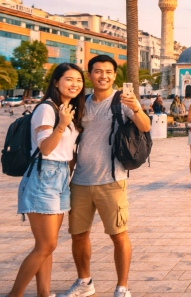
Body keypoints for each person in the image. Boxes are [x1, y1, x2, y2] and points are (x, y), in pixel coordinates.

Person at [60, 55, 150, 297]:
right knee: (78, 235)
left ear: (114, 75)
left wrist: (136, 107)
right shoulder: (81, 103)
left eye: (109, 72)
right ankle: (84, 282)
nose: (104, 76)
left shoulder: (121, 101)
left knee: (118, 235)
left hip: (112, 180)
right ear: (89, 74)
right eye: (98, 71)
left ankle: (122, 286)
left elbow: (145, 126)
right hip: (80, 181)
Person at [8, 63, 85, 297]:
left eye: (79, 80)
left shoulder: (67, 109)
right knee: (46, 245)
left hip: (60, 176)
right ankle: (15, 294)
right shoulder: (47, 110)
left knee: (47, 245)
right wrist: (61, 125)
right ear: (56, 82)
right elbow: (45, 148)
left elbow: (67, 153)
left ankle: (44, 293)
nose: (75, 84)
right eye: (69, 79)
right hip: (44, 176)